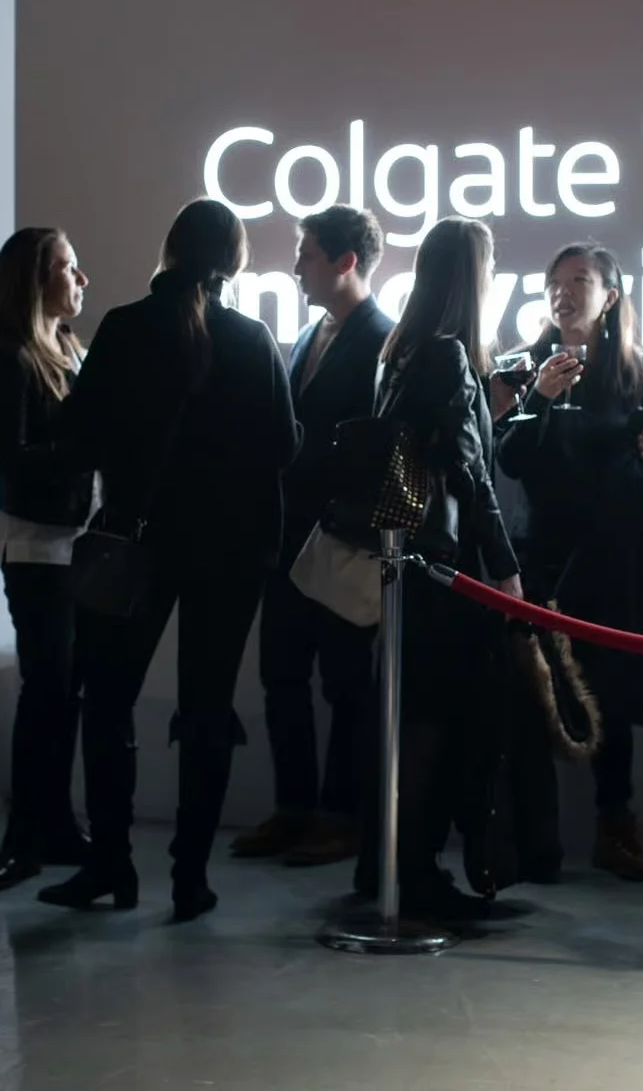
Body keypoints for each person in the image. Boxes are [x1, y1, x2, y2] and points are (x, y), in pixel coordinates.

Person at [38, 198, 299, 922]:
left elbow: (80, 438)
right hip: (231, 554)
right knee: (207, 711)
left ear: (171, 250)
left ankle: (110, 863)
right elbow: (284, 449)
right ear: (234, 261)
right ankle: (190, 877)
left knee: (108, 700)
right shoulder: (252, 340)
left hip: (136, 543)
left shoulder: (123, 328)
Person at [496, 243, 643, 884]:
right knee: (529, 694)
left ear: (610, 296)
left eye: (580, 281)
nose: (563, 292)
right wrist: (536, 396)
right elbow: (508, 461)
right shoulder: (523, 364)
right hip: (539, 554)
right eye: (555, 281)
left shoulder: (638, 370)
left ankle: (614, 826)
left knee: (610, 697)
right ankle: (529, 840)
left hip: (611, 558)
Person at [371, 216, 522, 919]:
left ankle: (393, 867)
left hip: (408, 569)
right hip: (444, 574)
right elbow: (469, 475)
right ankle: (417, 873)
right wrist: (506, 567)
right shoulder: (448, 356)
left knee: (412, 723)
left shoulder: (401, 350)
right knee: (436, 723)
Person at [232, 205, 391, 868]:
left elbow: (370, 448)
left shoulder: (382, 339)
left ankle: (339, 816)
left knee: (346, 686)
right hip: (290, 541)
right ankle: (294, 808)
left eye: (307, 254)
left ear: (344, 261)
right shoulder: (309, 336)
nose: (296, 265)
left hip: (342, 542)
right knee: (282, 677)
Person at [0, 228, 98, 894]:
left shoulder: (70, 349)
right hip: (37, 547)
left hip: (76, 544)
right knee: (45, 691)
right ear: (35, 279)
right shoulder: (11, 361)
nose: (81, 279)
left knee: (65, 691)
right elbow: (14, 461)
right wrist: (88, 443)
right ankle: (22, 837)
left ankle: (54, 824)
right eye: (68, 268)